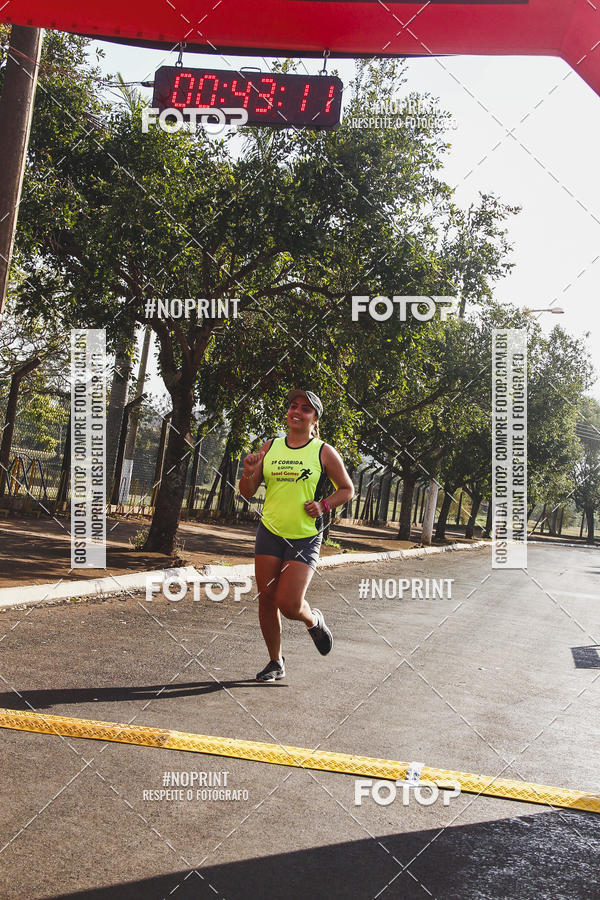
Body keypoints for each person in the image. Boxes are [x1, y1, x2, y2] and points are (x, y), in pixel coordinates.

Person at [239, 389, 354, 682]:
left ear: (315, 418)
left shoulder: (323, 451)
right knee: (266, 598)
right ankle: (275, 661)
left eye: (305, 409)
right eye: (293, 406)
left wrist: (324, 505)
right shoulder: (271, 447)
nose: (297, 412)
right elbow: (247, 492)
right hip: (270, 532)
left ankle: (313, 620)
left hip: (304, 537)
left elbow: (347, 489)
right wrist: (249, 472)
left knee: (289, 604)